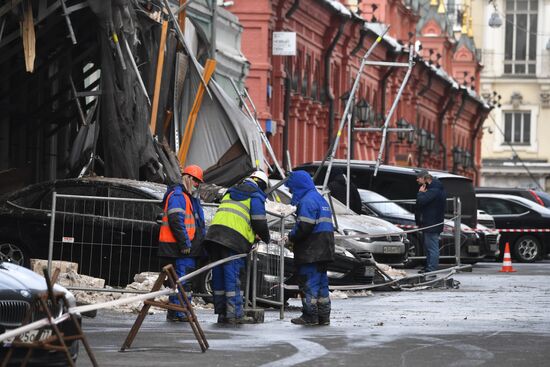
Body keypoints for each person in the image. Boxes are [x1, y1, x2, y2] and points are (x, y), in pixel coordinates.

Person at [203, 170, 271, 324]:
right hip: (233, 240)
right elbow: (259, 221)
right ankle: (234, 314)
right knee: (232, 276)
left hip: (214, 236)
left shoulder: (230, 192)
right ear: (261, 184)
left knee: (219, 275)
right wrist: (266, 237)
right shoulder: (255, 195)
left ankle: (222, 313)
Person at [285, 170, 335, 326]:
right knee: (321, 285)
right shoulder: (320, 199)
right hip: (324, 249)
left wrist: (290, 237)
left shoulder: (307, 201)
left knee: (309, 283)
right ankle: (323, 316)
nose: (291, 192)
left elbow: (304, 227)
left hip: (311, 250)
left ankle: (310, 316)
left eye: (292, 188)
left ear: (298, 185)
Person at [158, 164, 206, 322]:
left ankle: (176, 311)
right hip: (180, 248)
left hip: (181, 247)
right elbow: (176, 221)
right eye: (196, 181)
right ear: (189, 178)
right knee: (183, 281)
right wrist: (185, 243)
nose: (197, 185)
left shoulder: (186, 197)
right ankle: (180, 312)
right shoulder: (179, 196)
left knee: (178, 281)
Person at [415, 169, 447, 273]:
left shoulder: (434, 189)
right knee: (429, 246)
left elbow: (422, 201)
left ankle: (431, 268)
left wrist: (420, 193)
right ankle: (428, 266)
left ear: (425, 178)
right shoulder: (434, 188)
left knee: (432, 247)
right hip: (431, 222)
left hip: (431, 222)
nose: (417, 180)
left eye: (419, 178)